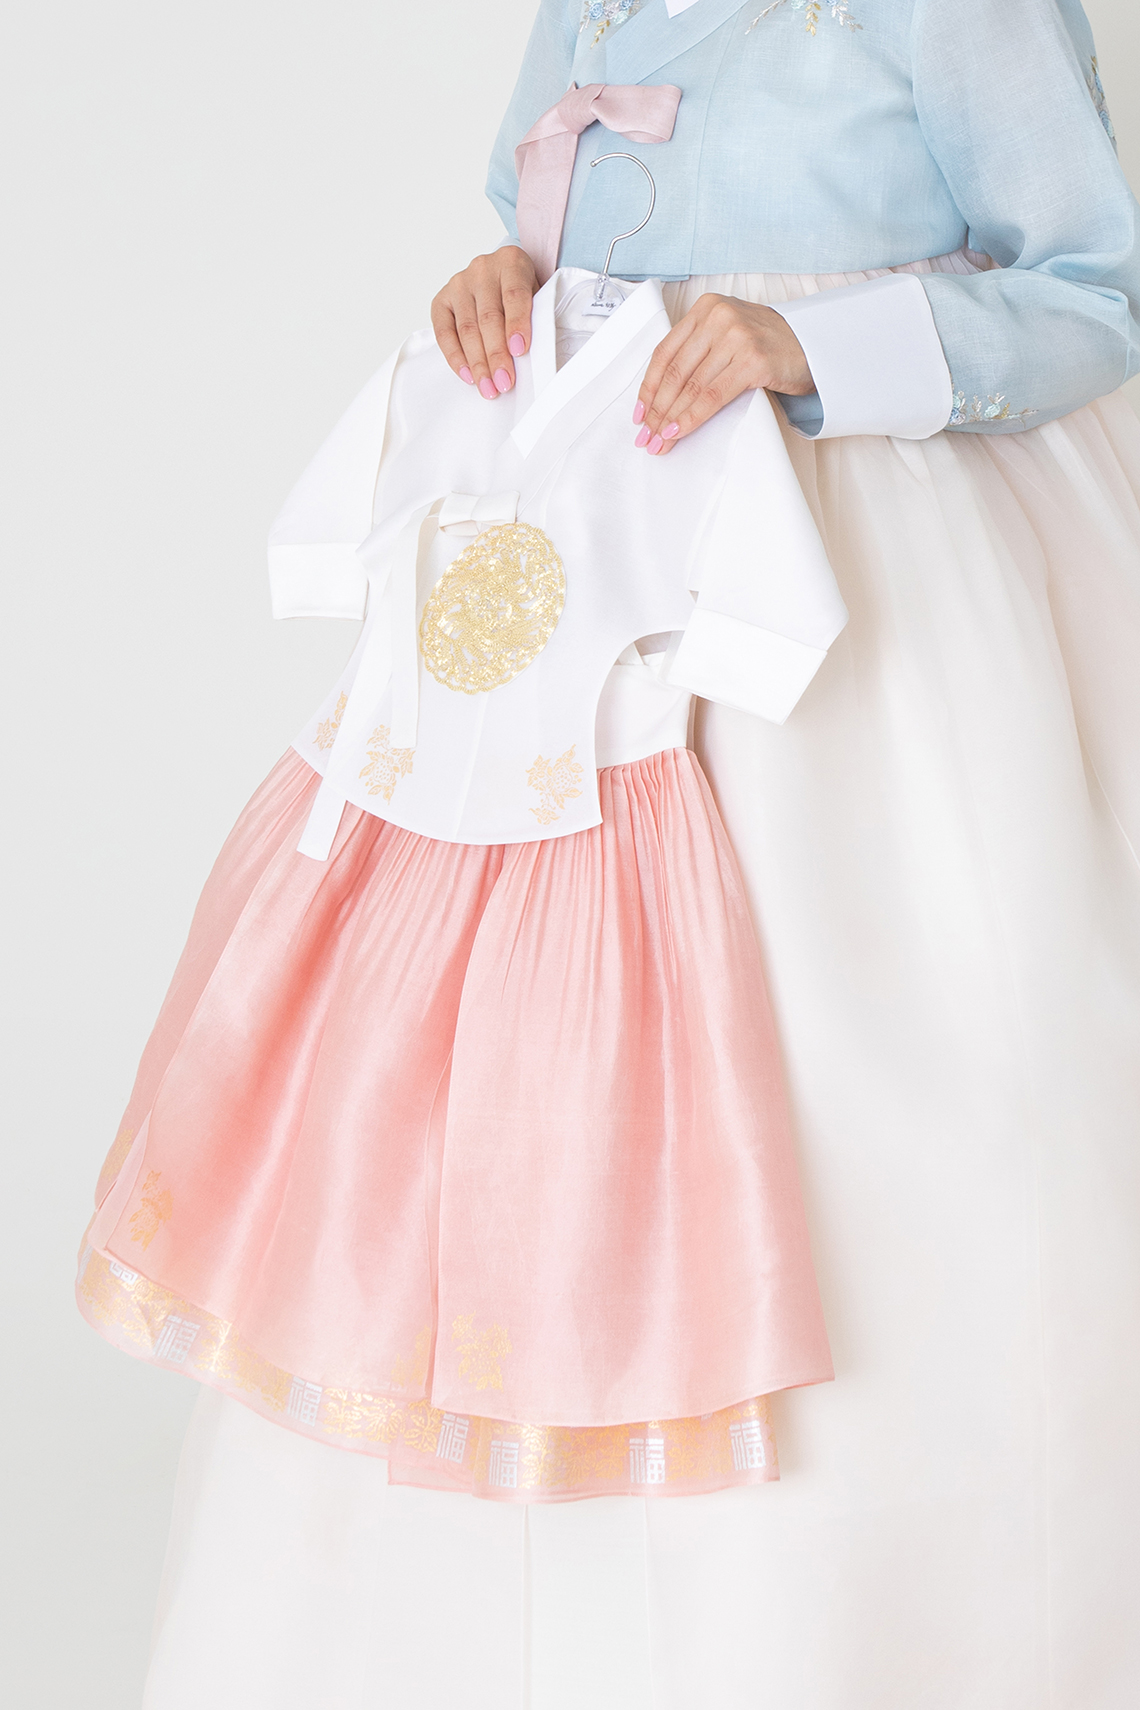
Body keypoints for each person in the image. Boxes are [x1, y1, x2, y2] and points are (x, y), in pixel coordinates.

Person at [80, 2, 1140, 1706]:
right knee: (500, 1072)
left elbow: (1095, 293)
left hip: (851, 590)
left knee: (853, 1089)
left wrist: (811, 347)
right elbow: (550, 227)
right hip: (586, 555)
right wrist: (503, 285)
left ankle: (865, 1626)